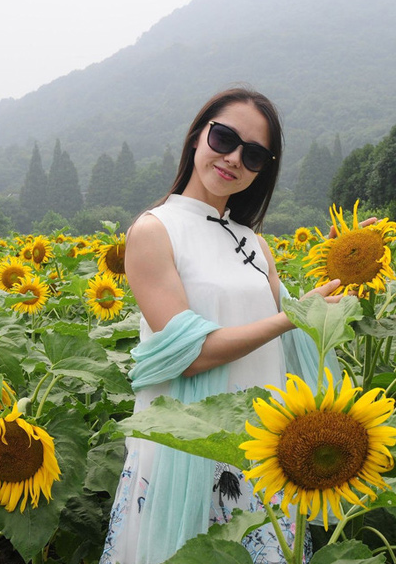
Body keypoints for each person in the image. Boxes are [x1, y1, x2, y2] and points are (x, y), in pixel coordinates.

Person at [99, 87, 345, 564]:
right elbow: (189, 353)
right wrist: (292, 315)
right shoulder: (154, 230)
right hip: (189, 449)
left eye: (253, 154)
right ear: (197, 136)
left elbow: (295, 331)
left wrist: (345, 259)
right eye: (224, 138)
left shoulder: (253, 241)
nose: (234, 158)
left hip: (261, 450)